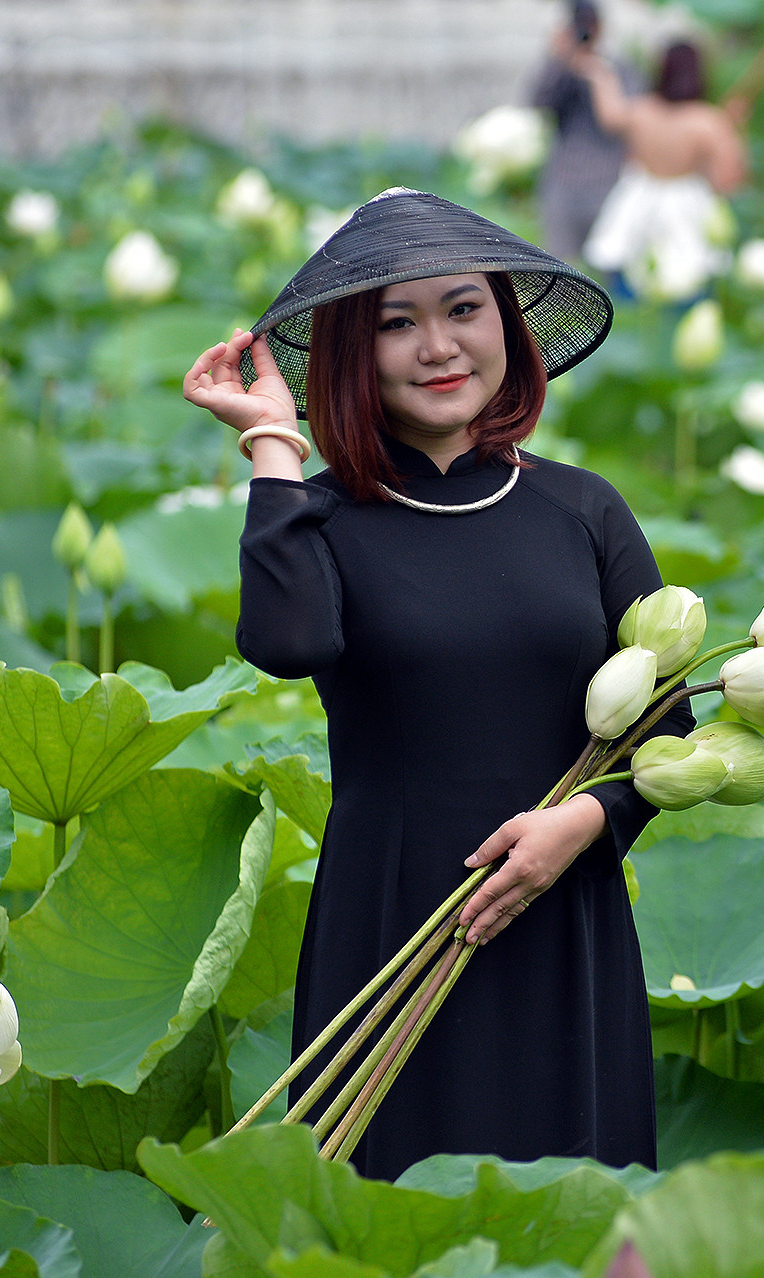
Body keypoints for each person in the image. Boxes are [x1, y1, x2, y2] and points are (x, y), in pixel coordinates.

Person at [181, 187, 692, 1178]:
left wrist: (577, 830)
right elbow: (284, 640)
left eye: (463, 309)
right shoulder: (321, 518)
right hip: (393, 913)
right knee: (387, 1205)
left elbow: (670, 726)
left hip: (562, 917)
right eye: (396, 324)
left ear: (506, 322)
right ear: (350, 356)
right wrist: (273, 445)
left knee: (568, 1209)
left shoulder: (584, 511)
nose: (438, 347)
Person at [576, 41, 748, 300]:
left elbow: (609, 115)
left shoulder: (641, 110)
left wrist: (603, 76)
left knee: (631, 277)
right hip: (687, 203)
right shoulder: (708, 122)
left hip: (639, 197)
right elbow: (728, 180)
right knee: (690, 278)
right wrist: (734, 129)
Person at [527, 2, 637, 261]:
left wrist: (598, 76)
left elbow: (626, 119)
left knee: (609, 261)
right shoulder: (560, 66)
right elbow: (538, 105)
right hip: (564, 182)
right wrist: (560, 59)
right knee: (561, 264)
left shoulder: (619, 67)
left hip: (608, 180)